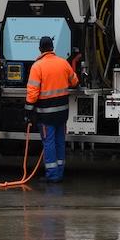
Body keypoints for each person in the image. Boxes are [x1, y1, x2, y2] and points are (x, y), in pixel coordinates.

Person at [24, 36, 78, 182]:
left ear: (40, 49)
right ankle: (59, 172)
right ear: (52, 47)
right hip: (62, 113)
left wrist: (28, 111)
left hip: (46, 115)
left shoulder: (37, 66)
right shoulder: (63, 63)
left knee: (49, 143)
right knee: (60, 142)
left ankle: (52, 175)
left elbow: (33, 93)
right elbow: (74, 81)